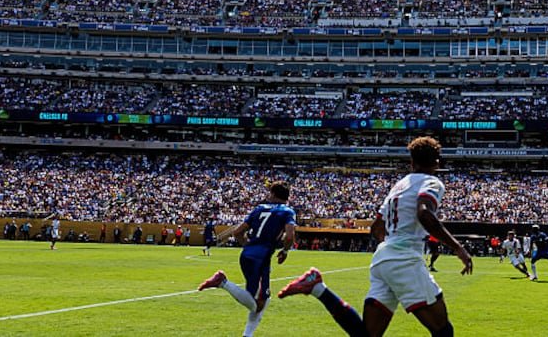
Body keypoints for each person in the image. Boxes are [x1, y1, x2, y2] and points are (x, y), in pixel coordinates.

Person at [279, 136, 473, 337]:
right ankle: (317, 287)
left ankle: (318, 288)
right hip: (404, 259)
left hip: (383, 258)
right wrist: (457, 247)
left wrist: (391, 248)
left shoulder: (399, 185)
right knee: (443, 331)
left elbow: (376, 228)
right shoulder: (432, 182)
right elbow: (424, 213)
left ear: (412, 162)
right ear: (436, 163)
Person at [198, 182, 296, 337]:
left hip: (248, 255)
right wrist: (285, 251)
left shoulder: (259, 209)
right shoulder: (287, 211)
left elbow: (237, 232)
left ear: (273, 194)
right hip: (261, 259)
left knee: (263, 298)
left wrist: (248, 246)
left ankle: (247, 335)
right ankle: (222, 282)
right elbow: (290, 236)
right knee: (258, 304)